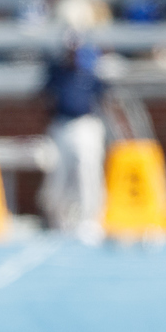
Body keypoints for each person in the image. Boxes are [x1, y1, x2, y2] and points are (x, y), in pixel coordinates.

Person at [37, 33, 107, 245]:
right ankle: (59, 221)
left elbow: (104, 97)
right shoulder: (57, 73)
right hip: (61, 125)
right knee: (58, 172)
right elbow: (44, 98)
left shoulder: (90, 72)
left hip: (85, 125)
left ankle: (90, 220)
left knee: (87, 170)